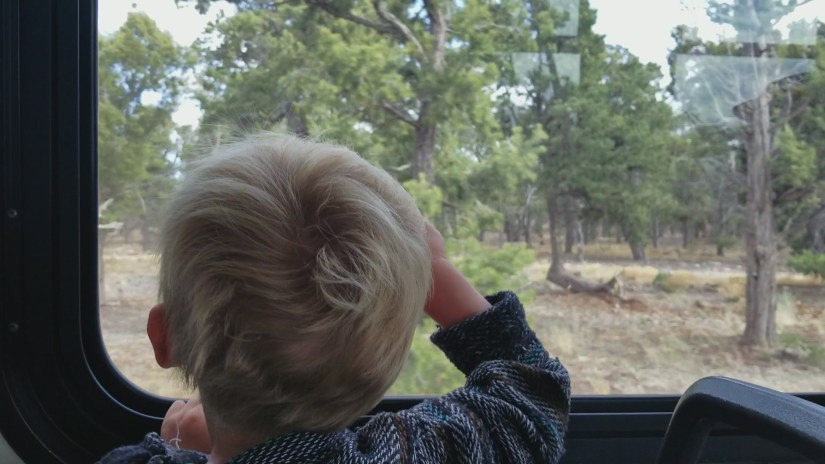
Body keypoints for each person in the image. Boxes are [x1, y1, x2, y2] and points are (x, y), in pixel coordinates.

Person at [97, 134, 571, 464]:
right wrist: (434, 270)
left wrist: (178, 447)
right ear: (387, 360)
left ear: (165, 338)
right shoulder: (421, 453)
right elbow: (528, 399)